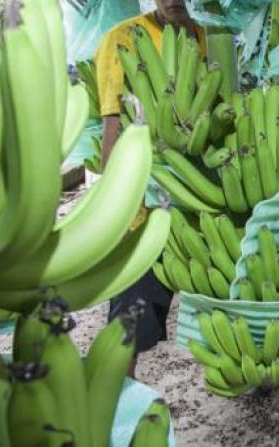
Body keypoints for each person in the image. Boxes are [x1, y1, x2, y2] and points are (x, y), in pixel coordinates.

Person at [93, 0, 206, 374]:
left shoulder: (204, 37)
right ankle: (118, 392)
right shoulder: (123, 38)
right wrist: (114, 205)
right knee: (130, 315)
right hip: (143, 199)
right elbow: (113, 125)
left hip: (196, 193)